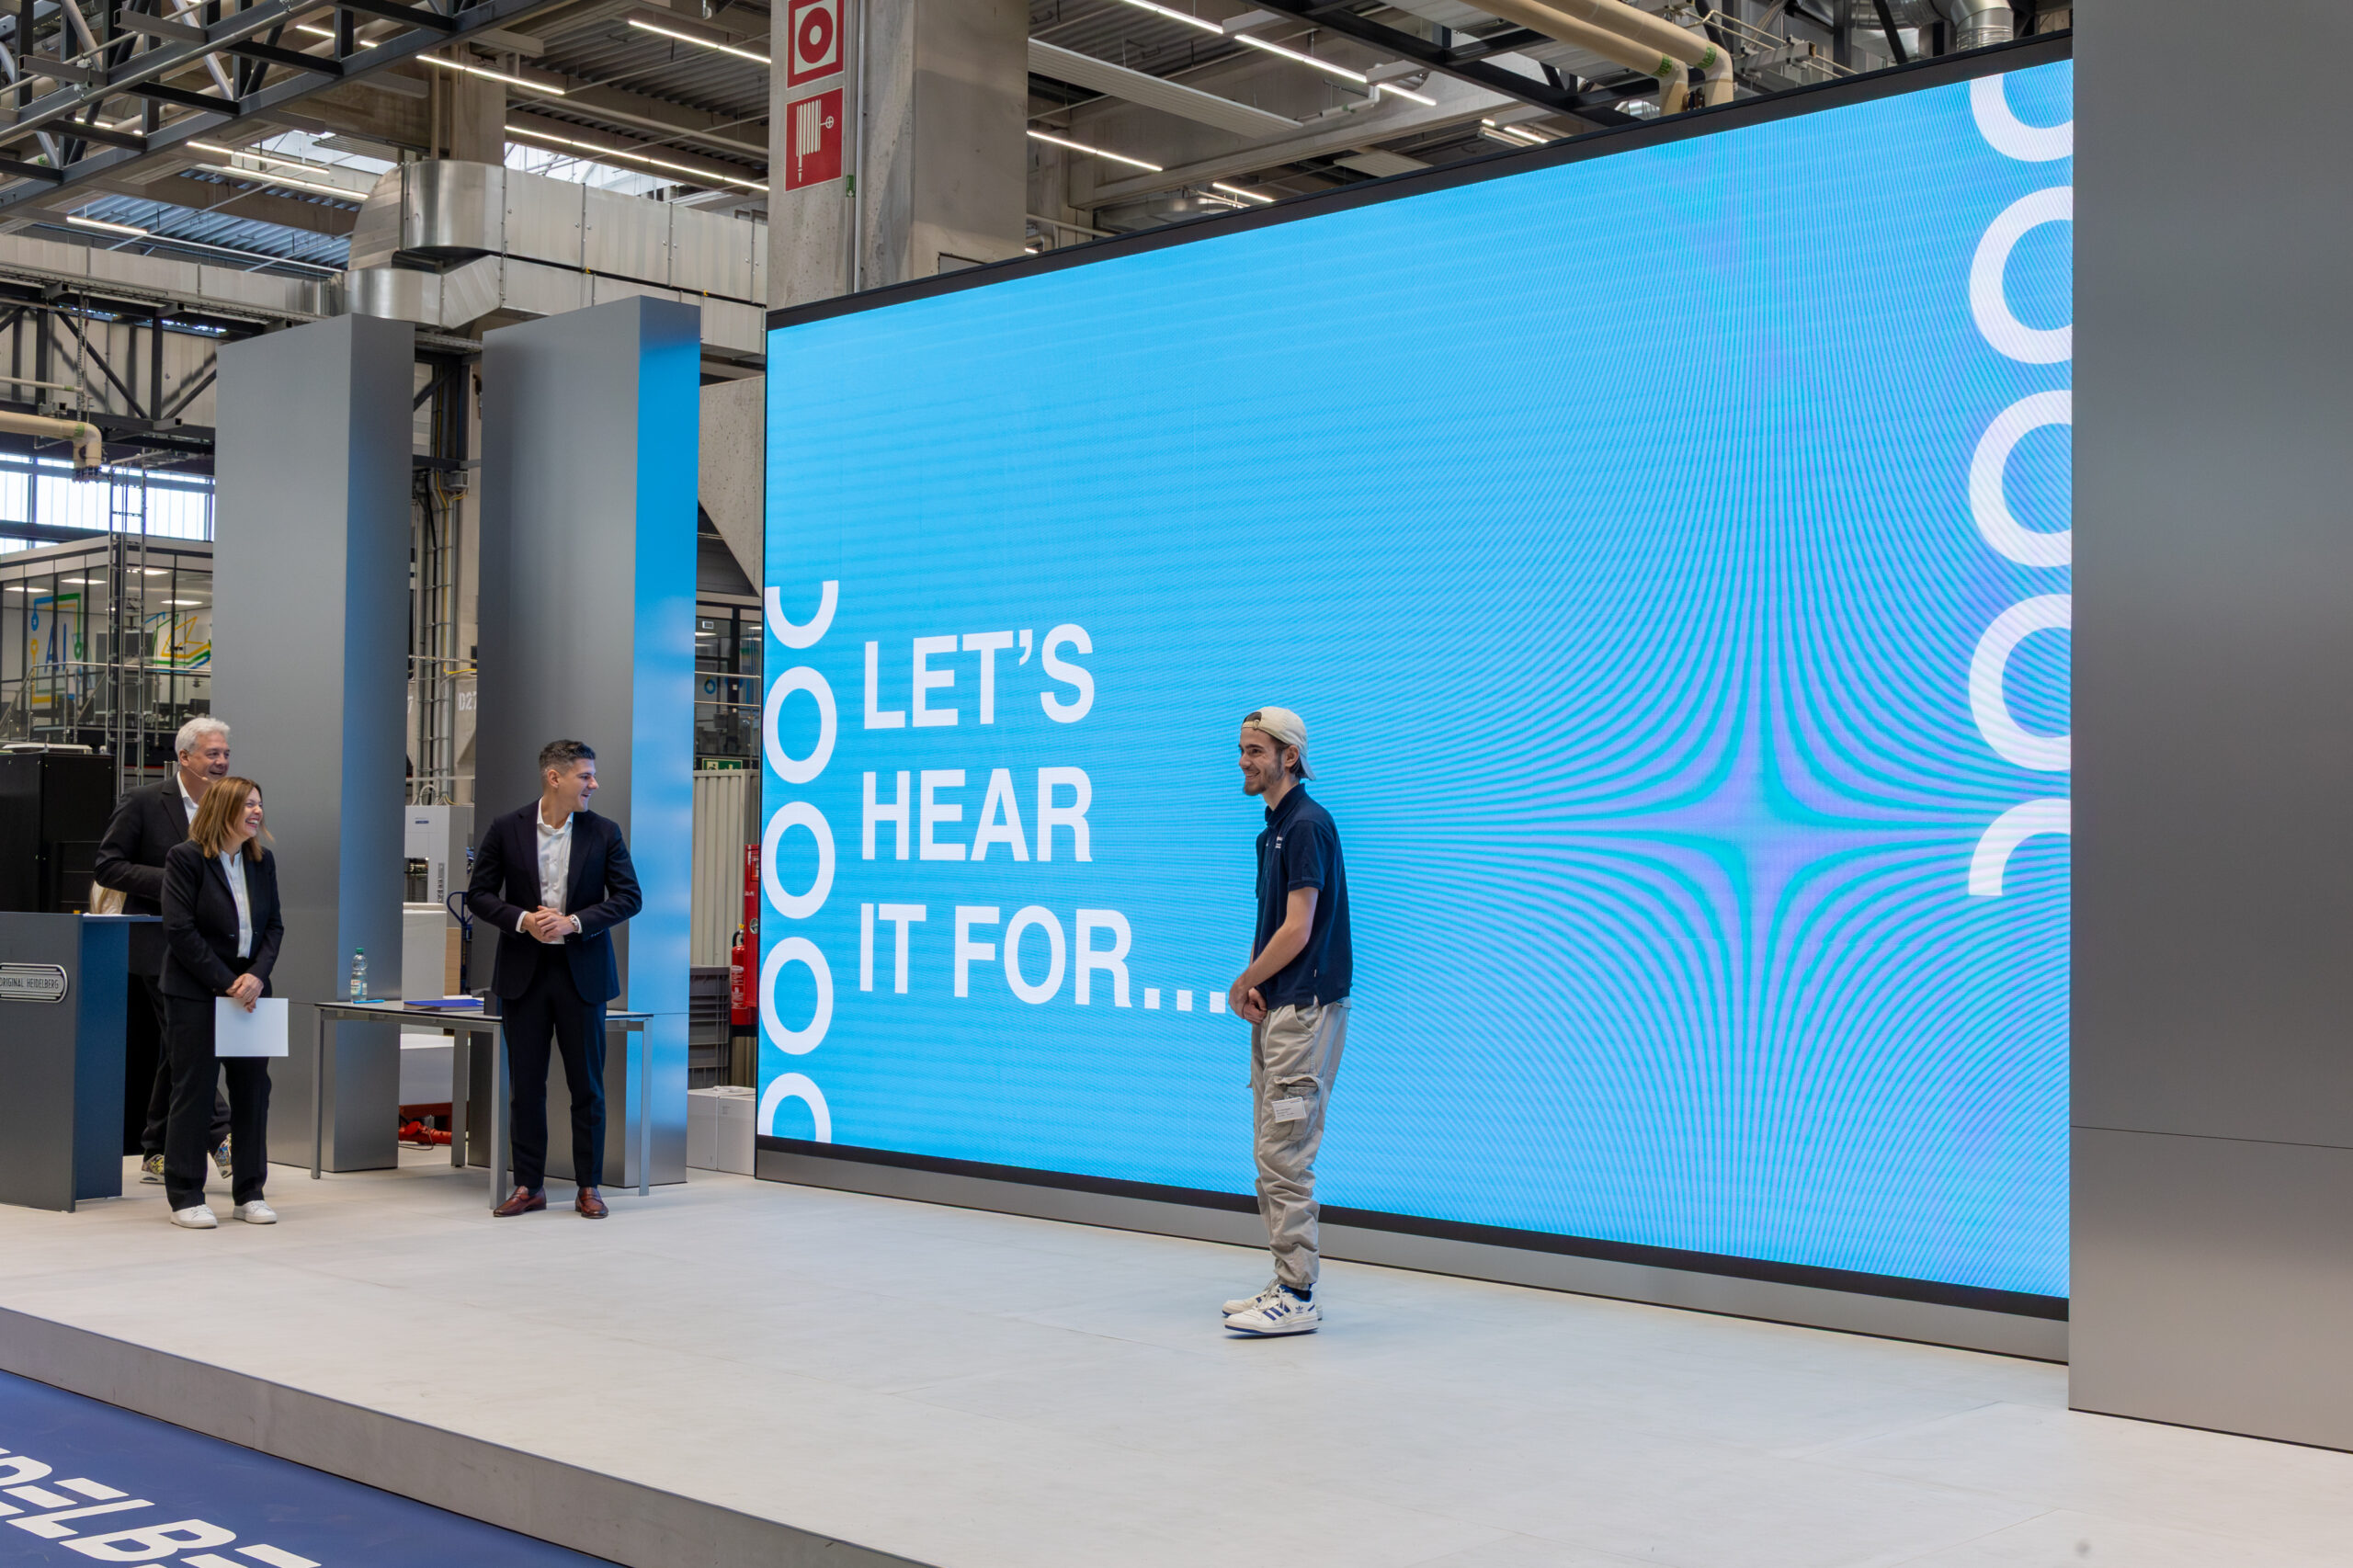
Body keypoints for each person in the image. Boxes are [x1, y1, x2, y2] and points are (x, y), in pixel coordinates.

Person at [468, 739, 642, 1220]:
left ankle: (589, 1187)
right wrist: (523, 919)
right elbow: (479, 894)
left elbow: (629, 897)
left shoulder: (604, 832)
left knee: (587, 1087)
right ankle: (529, 1186)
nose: (593, 784)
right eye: (585, 776)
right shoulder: (507, 828)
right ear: (554, 777)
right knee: (526, 1086)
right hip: (523, 976)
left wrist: (574, 922)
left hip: (582, 976)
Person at [1222, 707, 1352, 1337]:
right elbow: (1272, 923)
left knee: (1285, 1151)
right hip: (1278, 1007)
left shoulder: (1306, 825)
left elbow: (1299, 930)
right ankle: (1286, 1280)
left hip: (1304, 1011)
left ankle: (1298, 1294)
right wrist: (1255, 983)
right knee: (1271, 1149)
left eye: (1255, 751)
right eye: (1242, 750)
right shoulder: (1273, 831)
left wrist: (1244, 981)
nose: (1243, 761)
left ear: (1289, 756)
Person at [95, 715, 235, 1186]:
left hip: (212, 948)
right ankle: (223, 1137)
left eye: (225, 754)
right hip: (159, 946)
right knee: (188, 1040)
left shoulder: (229, 805)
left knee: (176, 1045)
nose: (221, 762)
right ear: (184, 757)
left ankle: (156, 1149)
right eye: (212, 753)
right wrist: (175, 882)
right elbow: (108, 866)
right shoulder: (142, 802)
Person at [158, 776, 282, 1229]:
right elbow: (180, 930)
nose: (257, 811)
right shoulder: (186, 858)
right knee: (194, 1092)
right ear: (223, 809)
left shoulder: (262, 861)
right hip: (197, 992)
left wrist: (256, 976)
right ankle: (186, 1195)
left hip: (251, 994)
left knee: (254, 1093)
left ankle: (250, 1193)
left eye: (259, 803)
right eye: (247, 804)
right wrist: (229, 982)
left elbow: (274, 927)